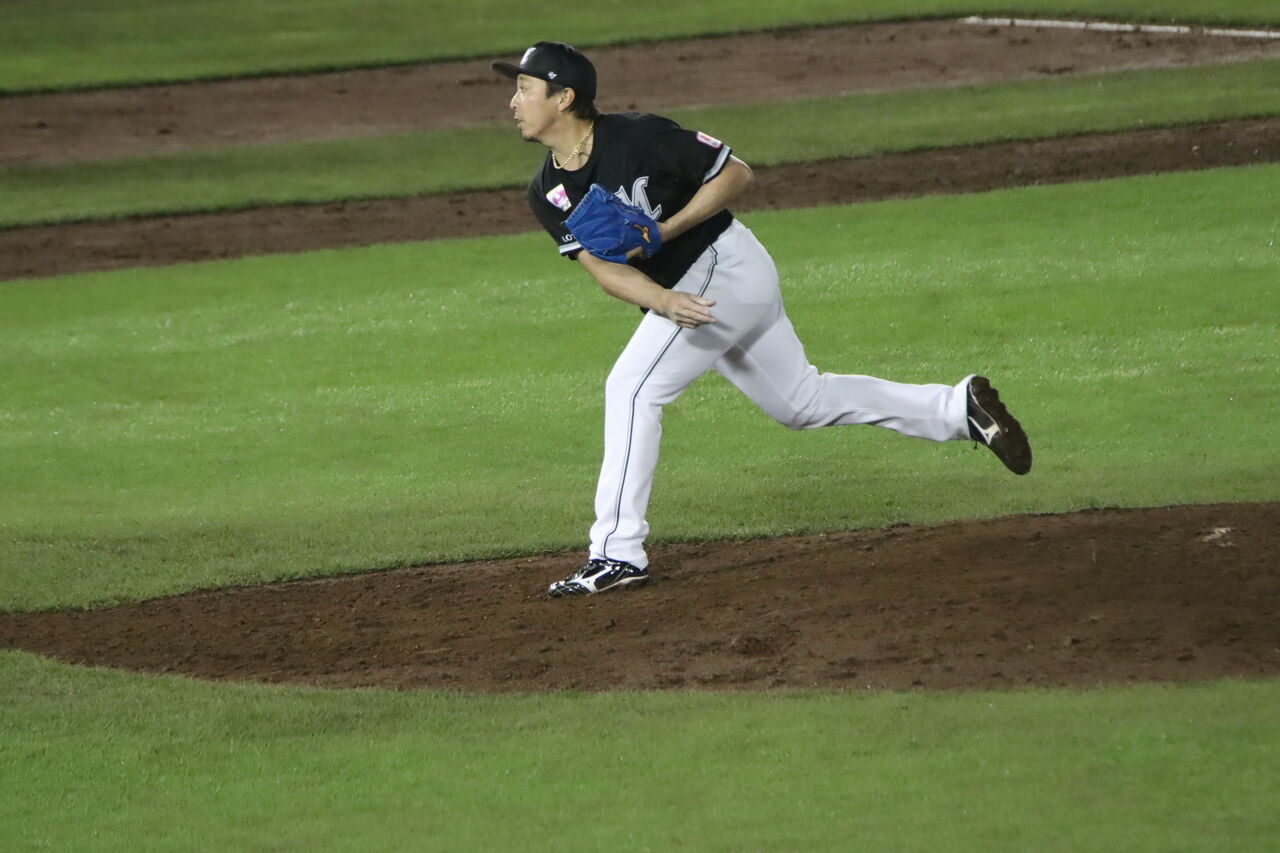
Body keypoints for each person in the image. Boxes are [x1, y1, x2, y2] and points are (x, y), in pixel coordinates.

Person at [492, 42, 1032, 598]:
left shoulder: (638, 136)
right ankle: (956, 409)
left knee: (631, 389)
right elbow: (605, 270)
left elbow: (734, 174)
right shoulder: (547, 191)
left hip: (723, 266)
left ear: (564, 97)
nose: (513, 102)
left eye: (525, 89)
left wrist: (666, 232)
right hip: (691, 292)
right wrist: (661, 300)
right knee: (801, 402)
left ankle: (616, 553)